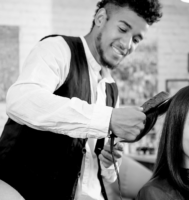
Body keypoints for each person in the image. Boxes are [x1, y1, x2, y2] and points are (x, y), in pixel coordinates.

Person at [0, 0, 162, 200]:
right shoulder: (58, 48)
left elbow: (106, 175)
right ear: (100, 18)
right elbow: (21, 101)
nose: (127, 44)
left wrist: (109, 162)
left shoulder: (112, 90)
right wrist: (108, 119)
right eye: (122, 29)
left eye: (136, 39)